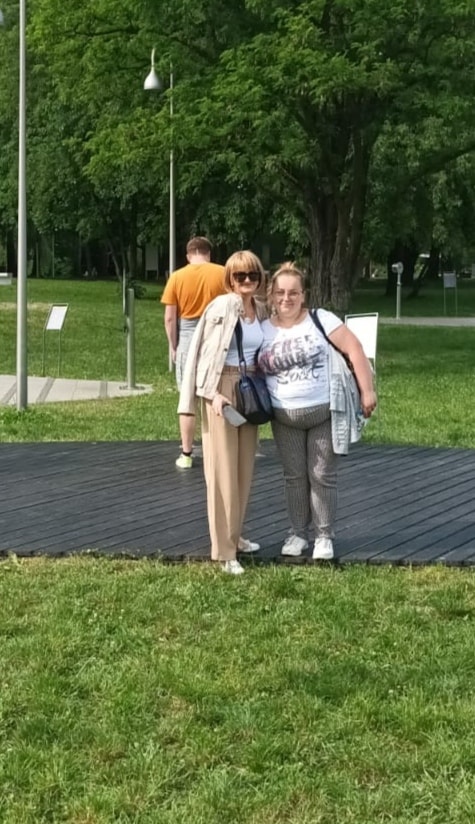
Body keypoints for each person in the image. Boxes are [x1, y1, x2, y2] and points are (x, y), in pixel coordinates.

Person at [257, 263, 377, 561]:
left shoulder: (320, 319)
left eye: (293, 292)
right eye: (280, 292)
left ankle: (324, 536)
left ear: (303, 295)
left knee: (322, 475)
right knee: (294, 477)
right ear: (271, 295)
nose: (287, 298)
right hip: (284, 417)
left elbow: (354, 348)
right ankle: (298, 533)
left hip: (323, 412)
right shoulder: (262, 329)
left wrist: (368, 391)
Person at [178, 250, 267, 574]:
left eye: (252, 275)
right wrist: (211, 392)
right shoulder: (222, 306)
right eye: (239, 276)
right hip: (223, 389)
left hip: (249, 387)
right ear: (229, 279)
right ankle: (224, 550)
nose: (246, 281)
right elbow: (205, 351)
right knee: (222, 472)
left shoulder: (260, 309)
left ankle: (236, 535)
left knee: (243, 469)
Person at [161, 236, 226, 469]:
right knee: (215, 393)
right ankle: (218, 450)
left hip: (188, 334)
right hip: (215, 333)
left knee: (188, 398)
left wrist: (173, 345)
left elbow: (170, 318)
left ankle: (186, 453)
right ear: (209, 253)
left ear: (188, 255)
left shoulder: (177, 277)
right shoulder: (223, 273)